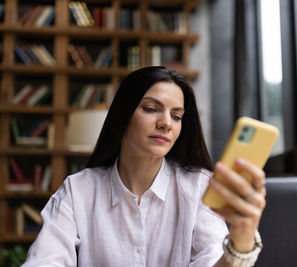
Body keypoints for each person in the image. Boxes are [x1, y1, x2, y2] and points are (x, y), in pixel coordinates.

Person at [22, 66, 266, 267]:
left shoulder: (199, 186)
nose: (166, 124)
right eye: (151, 109)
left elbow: (211, 257)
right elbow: (45, 261)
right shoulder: (78, 190)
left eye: (177, 116)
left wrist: (240, 243)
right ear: (123, 115)